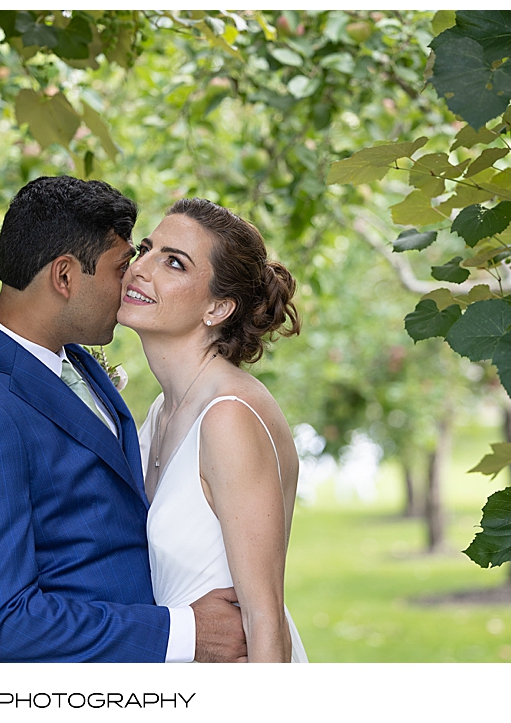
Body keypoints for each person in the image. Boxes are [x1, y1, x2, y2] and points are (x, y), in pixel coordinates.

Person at [0, 177, 246, 662]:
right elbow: (1, 622)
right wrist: (186, 634)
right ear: (64, 277)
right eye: (120, 268)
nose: (131, 282)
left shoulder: (72, 359)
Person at [118, 198, 307, 662]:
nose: (140, 268)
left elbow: (265, 619)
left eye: (174, 263)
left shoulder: (228, 417)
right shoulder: (163, 410)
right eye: (146, 249)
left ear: (218, 307)